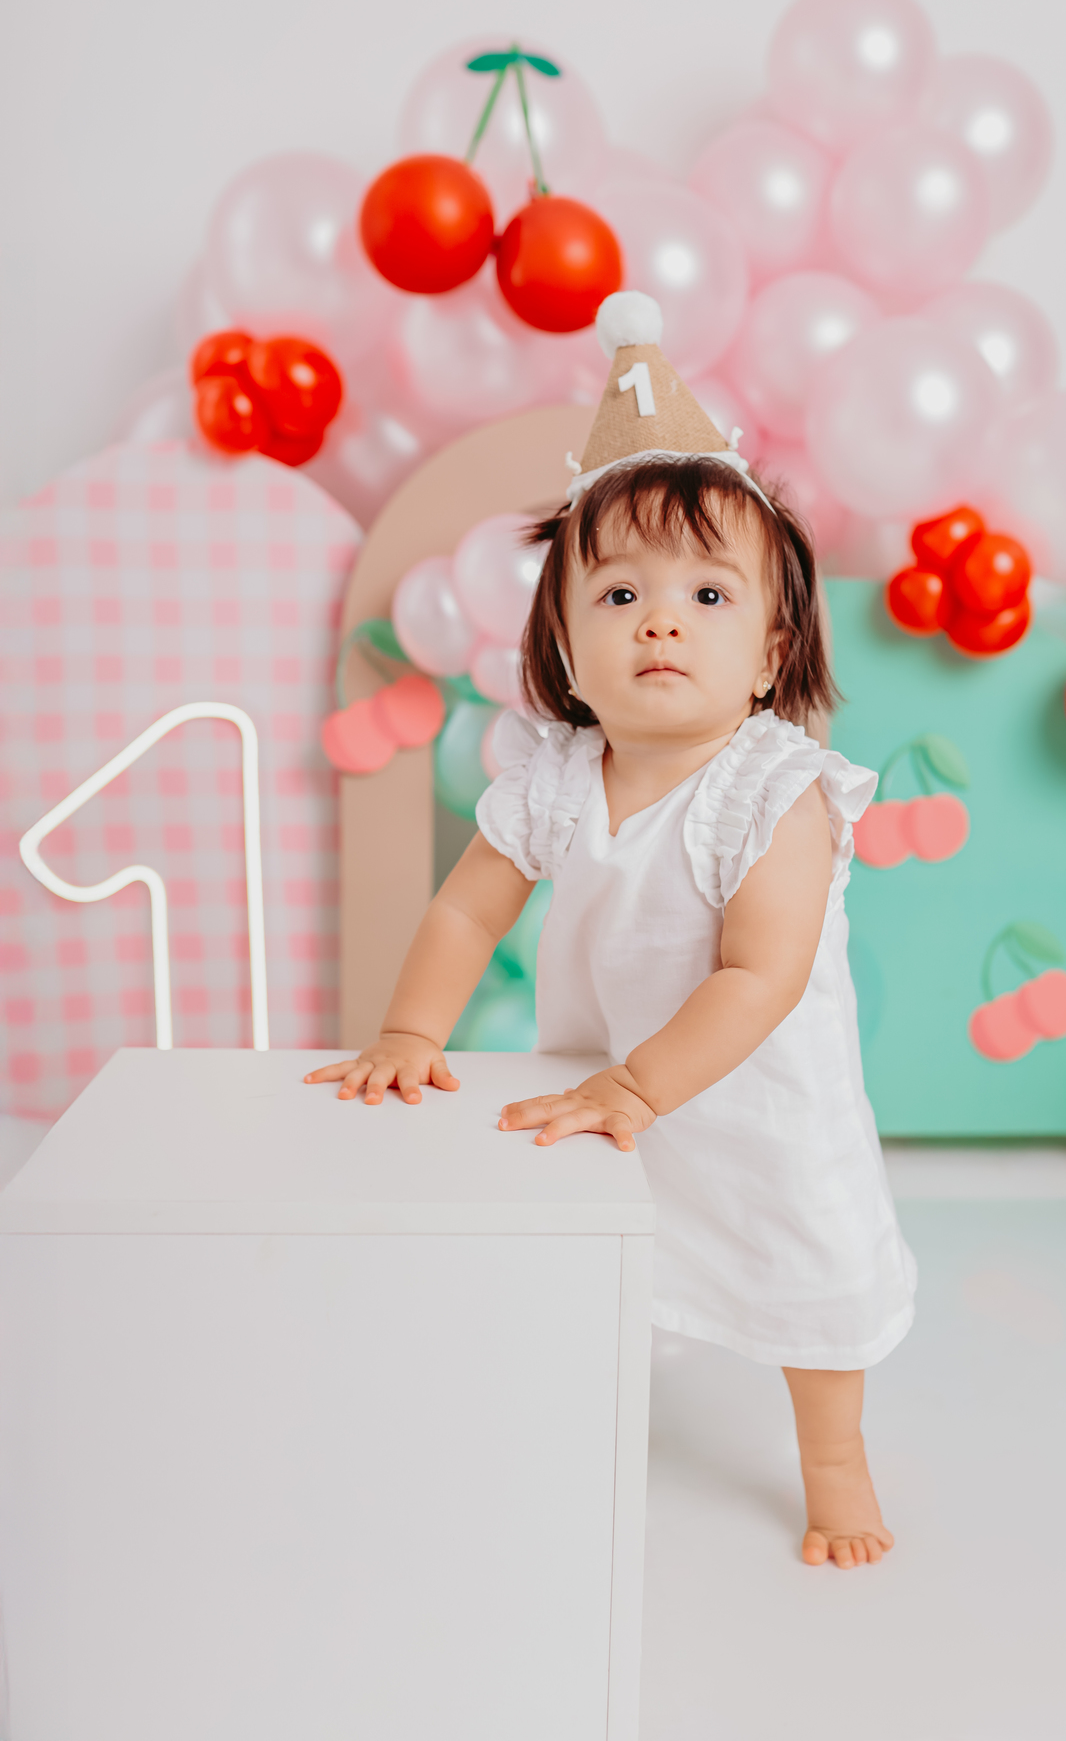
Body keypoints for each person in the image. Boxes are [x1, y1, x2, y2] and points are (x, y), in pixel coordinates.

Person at [307, 292, 916, 1570]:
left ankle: (834, 1462)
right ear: (565, 650)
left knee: (808, 1269)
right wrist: (412, 1030)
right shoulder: (554, 779)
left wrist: (646, 1085)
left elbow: (762, 973)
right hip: (604, 1082)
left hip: (755, 1098)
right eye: (621, 591)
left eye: (708, 593)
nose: (660, 620)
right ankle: (565, 1423)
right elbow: (467, 904)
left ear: (772, 651)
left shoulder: (774, 789)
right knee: (596, 1255)